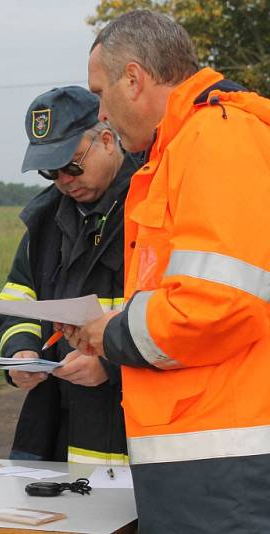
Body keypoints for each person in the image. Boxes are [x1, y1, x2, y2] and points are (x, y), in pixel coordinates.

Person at [65, 10, 270, 532]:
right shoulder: (187, 145)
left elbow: (217, 303)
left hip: (223, 459)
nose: (100, 112)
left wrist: (111, 334)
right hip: (207, 452)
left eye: (100, 91)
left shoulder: (215, 138)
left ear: (133, 79)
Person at [0, 86, 141, 464]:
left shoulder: (151, 204)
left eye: (72, 164)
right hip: (56, 427)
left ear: (106, 140)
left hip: (133, 431)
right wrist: (21, 352)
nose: (63, 179)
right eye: (49, 170)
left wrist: (110, 365)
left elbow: (175, 315)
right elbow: (17, 298)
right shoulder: (46, 220)